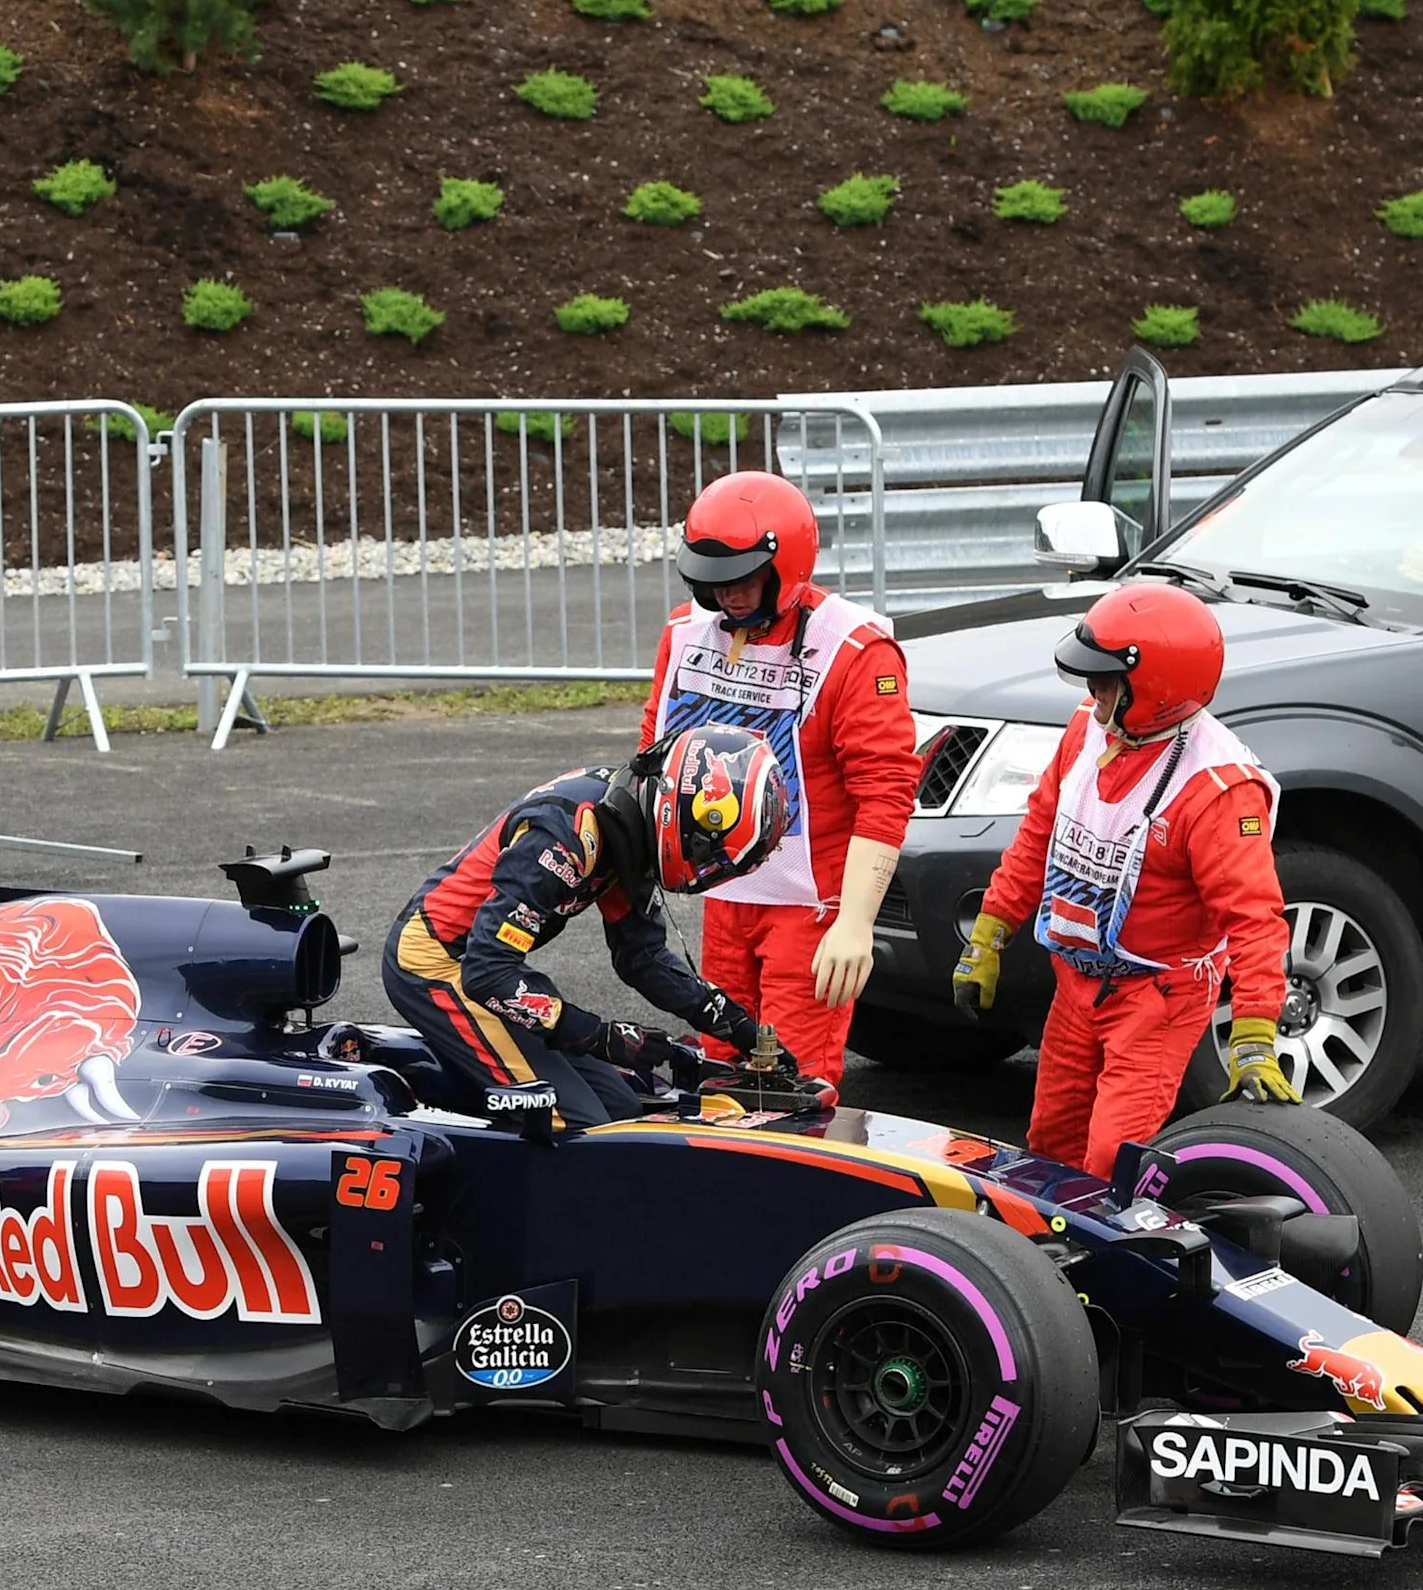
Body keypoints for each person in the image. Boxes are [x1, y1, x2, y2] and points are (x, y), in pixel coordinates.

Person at [951, 584, 1295, 1175]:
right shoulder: (1089, 729)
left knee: (1112, 1158)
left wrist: (1255, 1034)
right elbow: (1039, 836)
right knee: (1050, 1146)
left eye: (1105, 679)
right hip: (1078, 985)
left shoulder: (1219, 788)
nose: (1091, 692)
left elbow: (1255, 920)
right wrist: (989, 933)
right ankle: (1045, 1265)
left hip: (1157, 999)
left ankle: (1119, 1258)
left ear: (1156, 687)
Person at [640, 472, 920, 1088]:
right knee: (712, 1076)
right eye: (713, 581)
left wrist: (855, 922)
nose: (728, 596)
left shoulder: (853, 649)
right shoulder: (685, 634)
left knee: (789, 1086)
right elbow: (652, 756)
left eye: (742, 578)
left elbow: (886, 792)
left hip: (808, 908)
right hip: (723, 896)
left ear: (785, 563)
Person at [384, 723, 788, 1135]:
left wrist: (735, 1025)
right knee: (575, 1127)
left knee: (622, 1111)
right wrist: (602, 1037)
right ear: (684, 816)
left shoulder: (631, 826)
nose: (709, 872)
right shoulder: (566, 833)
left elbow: (643, 958)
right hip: (433, 964)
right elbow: (488, 973)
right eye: (712, 855)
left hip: (488, 969)